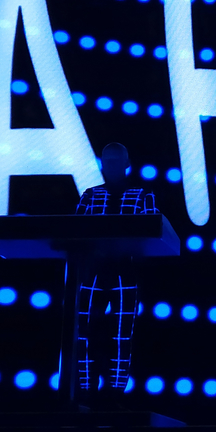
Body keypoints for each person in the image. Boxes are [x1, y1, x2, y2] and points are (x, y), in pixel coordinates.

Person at [72, 142, 156, 398]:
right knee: (84, 332)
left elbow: (153, 231)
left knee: (121, 335)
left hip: (124, 271)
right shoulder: (90, 195)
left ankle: (114, 394)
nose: (111, 166)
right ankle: (85, 391)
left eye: (116, 160)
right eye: (108, 161)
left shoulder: (143, 195)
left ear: (126, 163)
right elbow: (72, 230)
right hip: (92, 273)